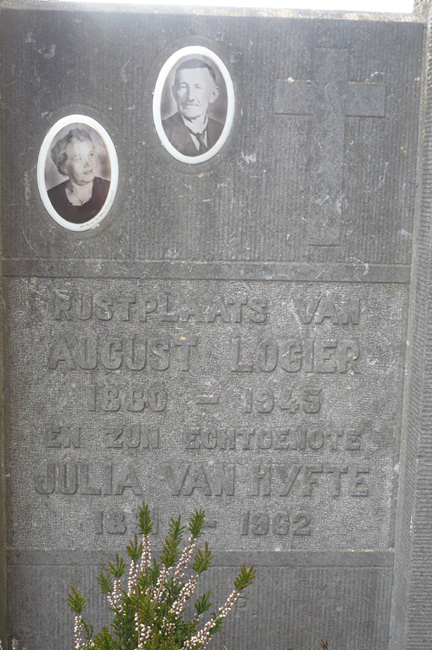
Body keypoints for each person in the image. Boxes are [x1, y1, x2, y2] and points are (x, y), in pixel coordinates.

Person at [162, 59, 224, 157]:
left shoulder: (222, 130)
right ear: (174, 93)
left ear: (213, 94)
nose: (190, 97)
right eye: (183, 87)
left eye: (198, 87)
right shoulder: (163, 133)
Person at [48, 128, 110, 224]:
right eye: (79, 159)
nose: (88, 163)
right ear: (64, 166)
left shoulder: (108, 189)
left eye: (91, 154)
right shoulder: (52, 198)